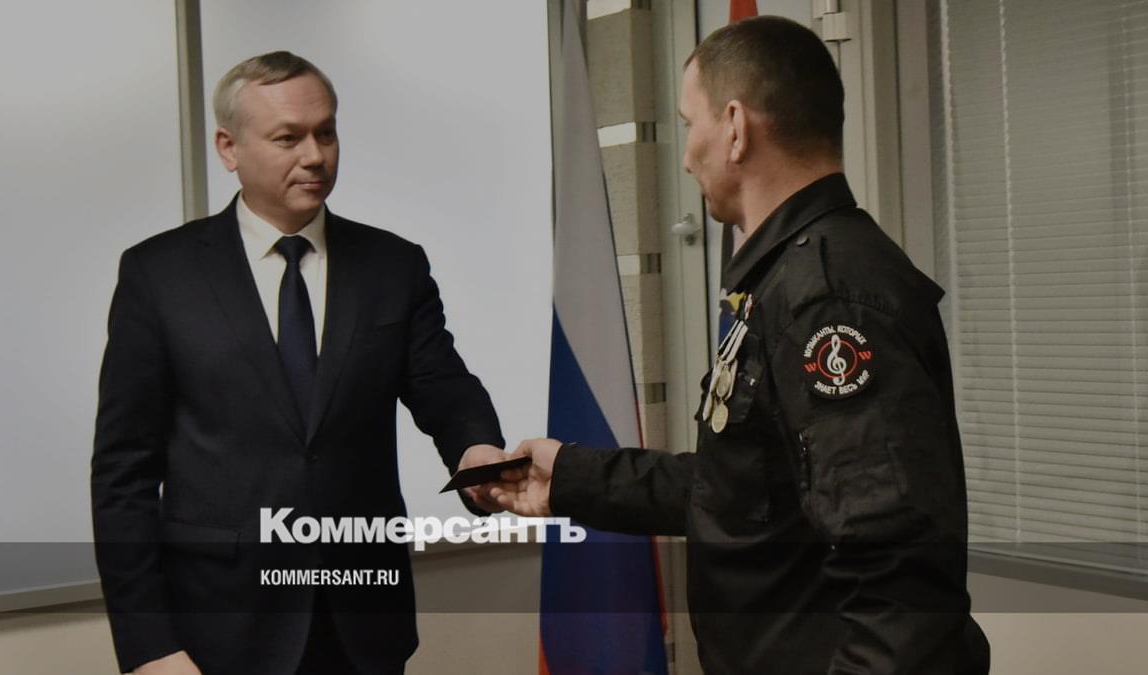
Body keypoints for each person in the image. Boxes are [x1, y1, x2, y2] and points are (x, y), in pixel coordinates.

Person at [493, 17, 991, 674]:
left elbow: (896, 576)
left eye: (688, 123)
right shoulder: (790, 277)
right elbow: (742, 490)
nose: (685, 156)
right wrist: (571, 476)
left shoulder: (825, 297)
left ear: (734, 127)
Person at [91, 51, 507, 675]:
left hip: (363, 622)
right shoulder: (158, 275)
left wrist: (475, 451)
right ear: (229, 148)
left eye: (326, 133)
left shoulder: (393, 265)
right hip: (219, 626)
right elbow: (123, 473)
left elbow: (442, 385)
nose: (315, 155)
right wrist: (149, 644)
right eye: (288, 138)